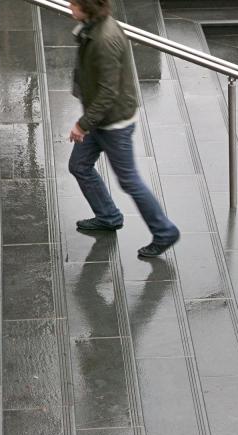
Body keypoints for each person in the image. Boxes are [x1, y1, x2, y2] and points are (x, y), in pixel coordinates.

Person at [67, 0, 179, 258]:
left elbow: (108, 92)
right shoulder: (92, 27)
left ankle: (164, 231)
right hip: (100, 117)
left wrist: (82, 125)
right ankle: (108, 216)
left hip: (112, 122)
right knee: (79, 166)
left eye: (74, 4)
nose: (69, 8)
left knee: (129, 181)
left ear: (88, 7)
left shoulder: (104, 39)